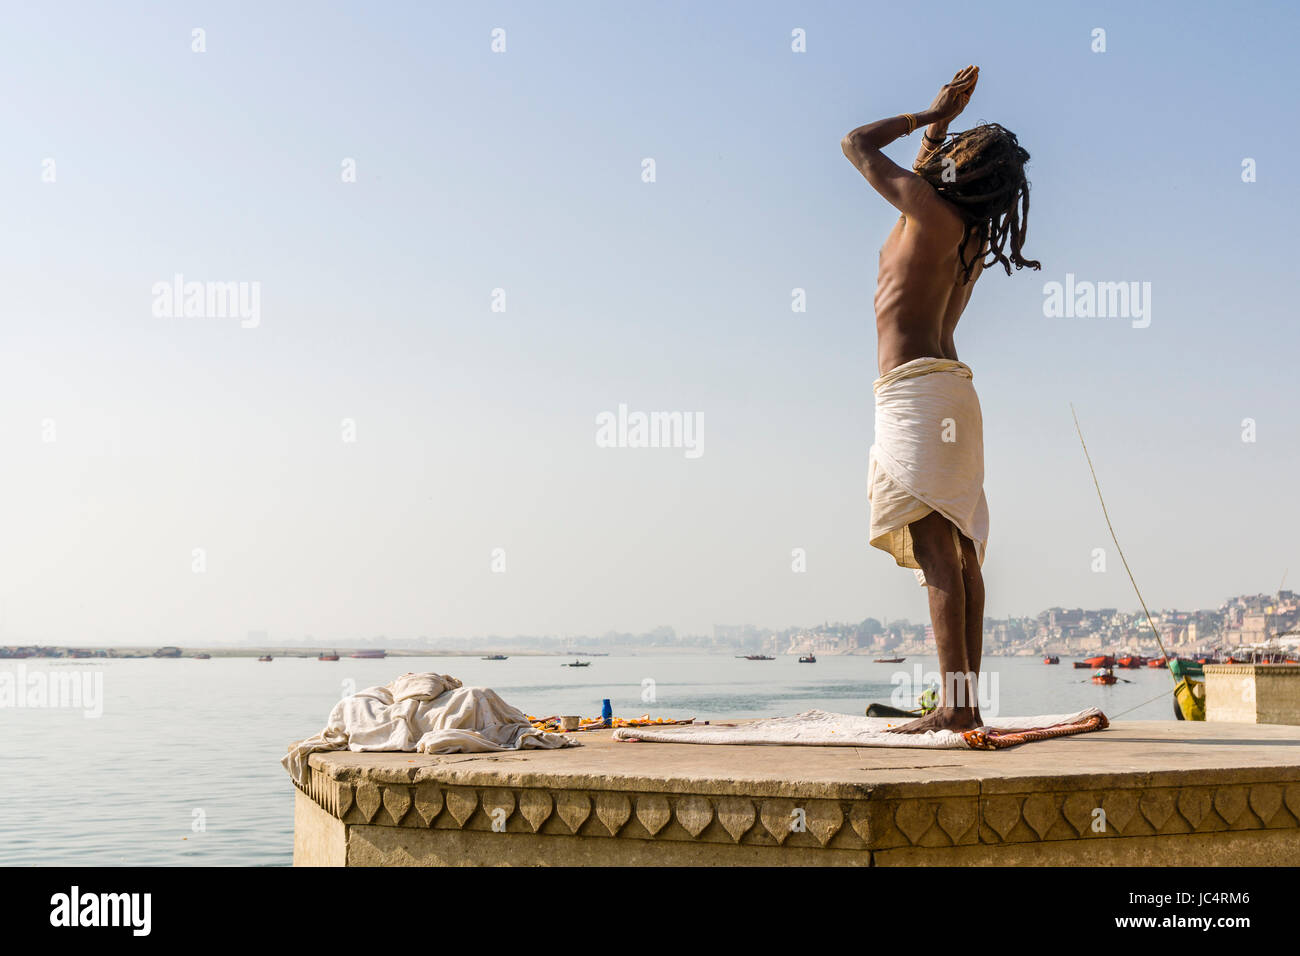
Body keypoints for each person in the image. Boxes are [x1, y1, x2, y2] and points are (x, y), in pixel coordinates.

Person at [840, 66, 1040, 733]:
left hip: (917, 395)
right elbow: (922, 176)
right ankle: (966, 701)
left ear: (963, 168)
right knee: (959, 551)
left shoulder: (926, 211)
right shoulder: (969, 235)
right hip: (953, 393)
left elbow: (856, 143)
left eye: (955, 150)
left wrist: (927, 117)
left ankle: (955, 707)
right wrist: (943, 126)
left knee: (936, 554)